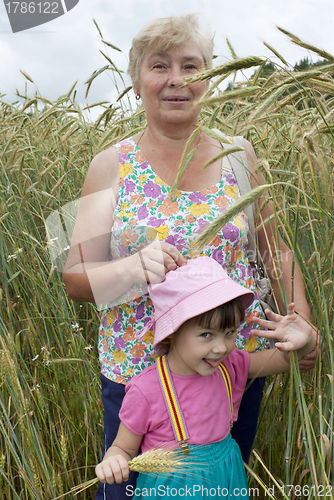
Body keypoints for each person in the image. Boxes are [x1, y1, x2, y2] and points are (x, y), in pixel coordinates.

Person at [62, 13, 317, 499]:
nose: (177, 80)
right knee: (130, 490)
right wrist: (133, 268)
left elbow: (274, 250)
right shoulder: (109, 165)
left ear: (210, 78)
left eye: (191, 66)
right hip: (138, 375)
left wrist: (300, 323)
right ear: (138, 81)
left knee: (219, 484)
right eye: (160, 66)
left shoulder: (239, 156)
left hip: (229, 366)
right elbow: (75, 277)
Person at [95, 257, 316, 499]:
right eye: (206, 335)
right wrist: (113, 460)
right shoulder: (146, 390)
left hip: (226, 480)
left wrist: (305, 343)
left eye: (229, 333)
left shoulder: (231, 366)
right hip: (171, 489)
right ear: (173, 331)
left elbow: (285, 360)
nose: (221, 347)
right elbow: (122, 448)